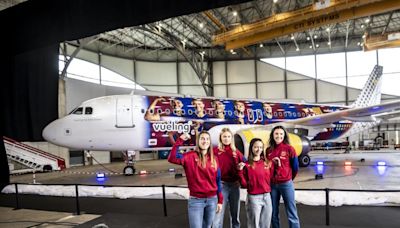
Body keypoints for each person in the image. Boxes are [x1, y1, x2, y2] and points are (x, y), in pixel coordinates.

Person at [168, 131, 223, 228]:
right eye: (202, 138)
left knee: (207, 226)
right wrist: (180, 140)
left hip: (212, 200)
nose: (205, 141)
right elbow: (172, 158)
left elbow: (218, 180)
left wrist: (220, 201)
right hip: (196, 200)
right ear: (198, 141)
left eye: (207, 139)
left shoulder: (214, 159)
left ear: (210, 142)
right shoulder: (189, 156)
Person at [237, 138, 280, 228]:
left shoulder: (267, 163)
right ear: (251, 148)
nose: (258, 149)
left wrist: (278, 167)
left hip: (267, 196)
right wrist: (240, 172)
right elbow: (244, 185)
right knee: (254, 225)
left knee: (266, 224)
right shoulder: (247, 165)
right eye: (256, 147)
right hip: (254, 198)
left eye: (260, 147)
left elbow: (272, 179)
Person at [266, 126, 300, 228]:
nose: (279, 136)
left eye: (281, 134)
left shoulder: (290, 149)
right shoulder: (268, 150)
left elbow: (295, 168)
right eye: (276, 134)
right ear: (272, 135)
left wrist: (288, 178)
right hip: (272, 185)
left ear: (284, 135)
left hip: (286, 184)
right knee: (273, 212)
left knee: (291, 211)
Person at [212, 128, 244, 228]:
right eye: (224, 136)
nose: (226, 138)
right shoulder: (215, 151)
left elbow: (246, 163)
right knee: (218, 213)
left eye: (228, 136)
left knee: (235, 214)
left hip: (235, 185)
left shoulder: (236, 152)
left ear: (231, 138)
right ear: (221, 138)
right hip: (221, 185)